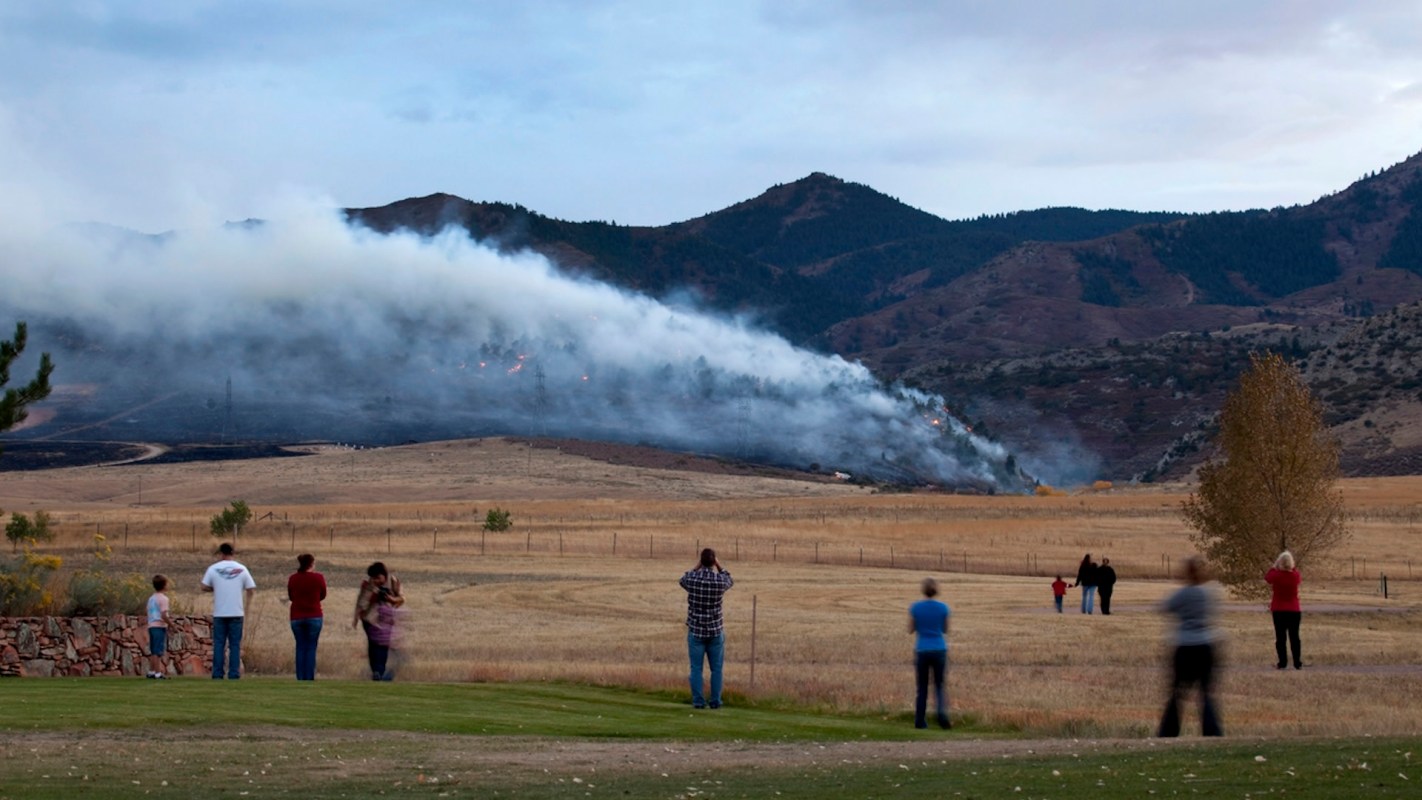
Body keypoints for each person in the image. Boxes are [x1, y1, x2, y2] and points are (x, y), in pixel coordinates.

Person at [1158, 555, 1223, 737]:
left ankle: (1168, 732)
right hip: (1206, 644)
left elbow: (1165, 607)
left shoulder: (1183, 594)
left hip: (1185, 645)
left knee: (1178, 692)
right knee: (1206, 693)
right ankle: (1212, 733)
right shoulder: (1209, 592)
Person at [679, 548, 733, 709]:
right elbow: (729, 579)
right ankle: (715, 701)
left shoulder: (694, 579)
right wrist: (719, 565)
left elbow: (682, 580)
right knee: (716, 669)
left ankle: (698, 701)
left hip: (696, 630)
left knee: (696, 668)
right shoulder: (718, 581)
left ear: (701, 561)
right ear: (713, 561)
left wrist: (697, 567)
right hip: (715, 630)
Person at [201, 542, 256, 680]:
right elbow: (251, 589)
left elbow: (203, 586)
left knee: (219, 644)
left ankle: (218, 673)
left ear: (221, 553)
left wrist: (215, 588)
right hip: (236, 612)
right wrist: (247, 606)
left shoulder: (213, 569)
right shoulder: (241, 569)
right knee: (235, 645)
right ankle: (233, 673)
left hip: (220, 612)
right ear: (233, 553)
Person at [908, 577, 952, 729]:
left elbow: (910, 629)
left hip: (922, 648)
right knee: (939, 685)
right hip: (939, 648)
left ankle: (920, 720)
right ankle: (941, 715)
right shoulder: (944, 608)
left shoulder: (915, 607)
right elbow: (945, 629)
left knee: (922, 687)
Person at [353, 561, 403, 681]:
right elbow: (361, 601)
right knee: (373, 646)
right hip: (370, 619)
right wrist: (356, 617)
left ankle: (379, 671)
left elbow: (401, 599)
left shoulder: (393, 581)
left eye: (378, 578)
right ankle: (376, 671)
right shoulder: (368, 584)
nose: (376, 580)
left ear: (384, 575)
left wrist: (391, 598)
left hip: (386, 619)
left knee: (383, 646)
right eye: (373, 578)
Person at [287, 553, 327, 681]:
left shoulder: (293, 578)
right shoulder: (318, 578)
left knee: (300, 647)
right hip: (314, 615)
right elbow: (323, 594)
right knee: (311, 647)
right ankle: (309, 677)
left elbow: (291, 596)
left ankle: (300, 676)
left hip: (296, 616)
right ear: (311, 564)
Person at [1266, 551, 1303, 670]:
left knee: (1280, 638)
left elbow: (1267, 577)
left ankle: (1282, 662)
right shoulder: (1295, 576)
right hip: (1294, 609)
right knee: (1295, 637)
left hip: (1279, 609)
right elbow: (1297, 573)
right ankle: (1297, 662)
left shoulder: (1276, 575)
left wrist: (1274, 566)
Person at [146, 574, 172, 679]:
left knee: (153, 650)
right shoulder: (164, 599)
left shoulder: (151, 598)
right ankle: (158, 673)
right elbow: (163, 615)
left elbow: (147, 611)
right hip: (159, 626)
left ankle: (151, 671)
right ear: (164, 585)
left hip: (151, 625)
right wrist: (172, 625)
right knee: (158, 651)